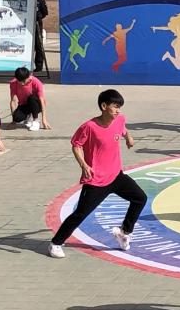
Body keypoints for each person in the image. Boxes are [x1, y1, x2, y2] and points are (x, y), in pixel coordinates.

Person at [48, 89, 147, 259]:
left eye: (120, 107)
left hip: (116, 175)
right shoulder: (89, 127)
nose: (118, 111)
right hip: (96, 180)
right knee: (80, 214)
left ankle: (124, 232)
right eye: (115, 107)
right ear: (103, 106)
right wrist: (84, 165)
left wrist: (128, 137)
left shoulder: (119, 119)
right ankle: (56, 243)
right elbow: (76, 145)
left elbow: (122, 129)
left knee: (140, 198)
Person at [9, 67, 50, 131]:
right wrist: (13, 121)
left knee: (32, 98)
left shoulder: (36, 82)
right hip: (24, 104)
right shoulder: (13, 83)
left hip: (36, 104)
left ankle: (36, 120)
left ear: (28, 77)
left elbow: (42, 101)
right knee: (17, 117)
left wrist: (44, 120)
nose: (22, 84)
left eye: (24, 81)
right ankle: (29, 115)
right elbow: (13, 101)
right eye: (20, 81)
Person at [34, 0, 48, 72]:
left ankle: (39, 66)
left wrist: (38, 17)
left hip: (37, 25)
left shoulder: (39, 0)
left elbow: (45, 12)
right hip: (26, 25)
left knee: (38, 46)